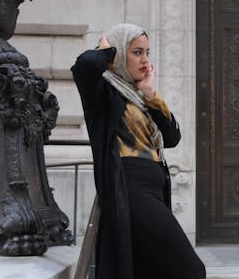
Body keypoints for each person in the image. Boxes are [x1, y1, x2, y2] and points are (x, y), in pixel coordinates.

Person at [71, 23, 206, 279]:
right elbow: (85, 66)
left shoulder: (139, 97)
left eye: (147, 52)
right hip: (130, 190)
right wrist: (106, 52)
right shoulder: (104, 92)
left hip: (154, 192)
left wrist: (152, 95)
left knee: (151, 272)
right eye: (136, 52)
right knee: (191, 270)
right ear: (120, 53)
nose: (145, 60)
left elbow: (172, 137)